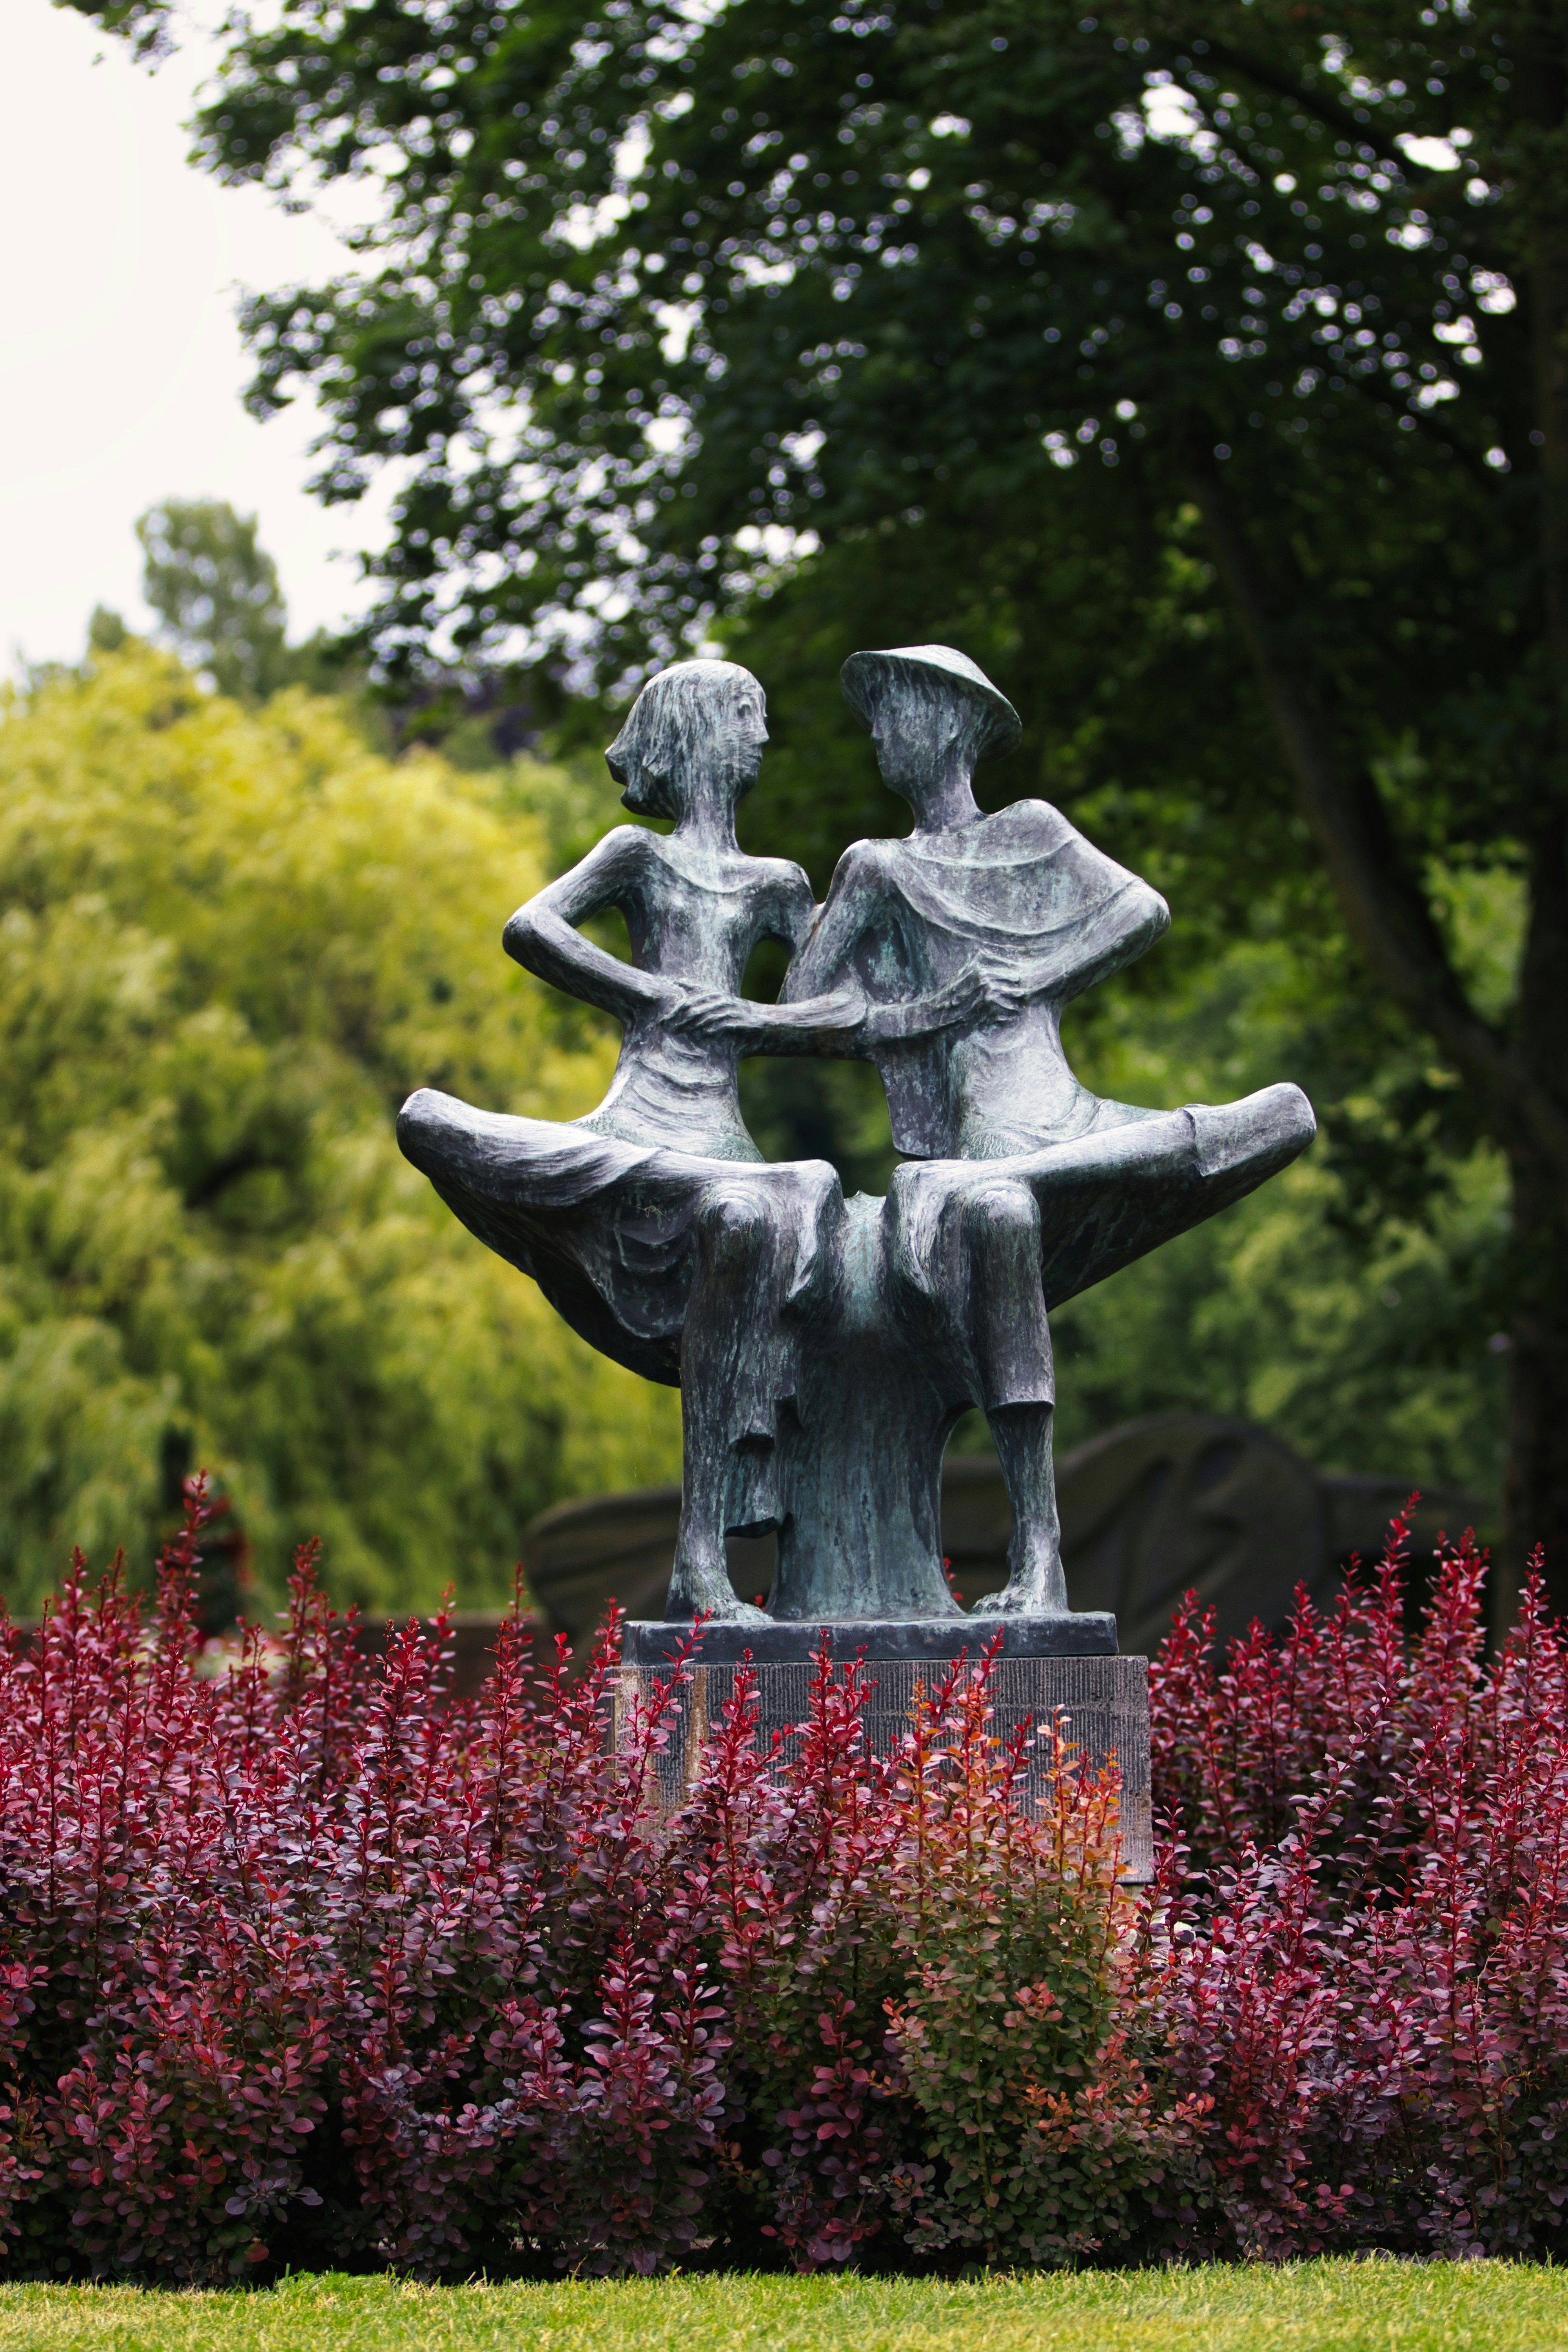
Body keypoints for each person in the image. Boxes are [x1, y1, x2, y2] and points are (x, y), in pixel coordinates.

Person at [691, 644, 1315, 1615]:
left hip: (1063, 1116)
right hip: (976, 1148)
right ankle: (1039, 1555)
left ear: (943, 723)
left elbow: (1140, 911)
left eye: (890, 717)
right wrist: (933, 1009)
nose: (878, 740)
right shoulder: (877, 867)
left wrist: (1039, 976)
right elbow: (803, 1011)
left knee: (1285, 1111)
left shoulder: (1031, 829)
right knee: (992, 1211)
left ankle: (1140, 1149)